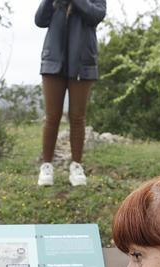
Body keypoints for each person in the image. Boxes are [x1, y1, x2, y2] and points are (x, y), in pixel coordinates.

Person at [34, 0, 106, 187]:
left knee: (77, 117)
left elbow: (96, 15)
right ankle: (46, 166)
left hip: (83, 61)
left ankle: (76, 166)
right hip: (53, 60)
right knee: (52, 117)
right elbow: (40, 20)